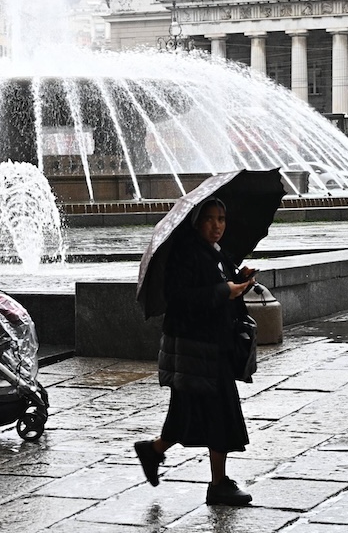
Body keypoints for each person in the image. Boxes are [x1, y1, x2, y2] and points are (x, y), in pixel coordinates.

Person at [134, 197, 258, 506]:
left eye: (222, 219)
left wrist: (240, 280)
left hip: (211, 345)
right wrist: (222, 291)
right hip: (195, 348)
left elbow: (221, 283)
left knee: (185, 413)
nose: (217, 226)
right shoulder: (185, 253)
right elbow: (181, 298)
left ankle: (152, 451)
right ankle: (218, 484)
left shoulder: (215, 252)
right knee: (221, 413)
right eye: (210, 219)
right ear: (197, 222)